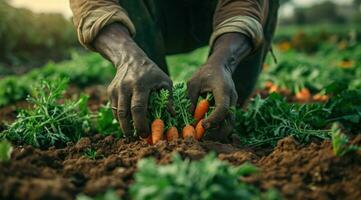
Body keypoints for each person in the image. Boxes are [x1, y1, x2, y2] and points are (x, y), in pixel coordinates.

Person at [70, 0, 279, 142]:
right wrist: (127, 58)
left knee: (221, 115)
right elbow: (92, 4)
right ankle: (155, 121)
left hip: (213, 14)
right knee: (147, 110)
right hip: (146, 14)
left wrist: (223, 63)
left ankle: (215, 116)